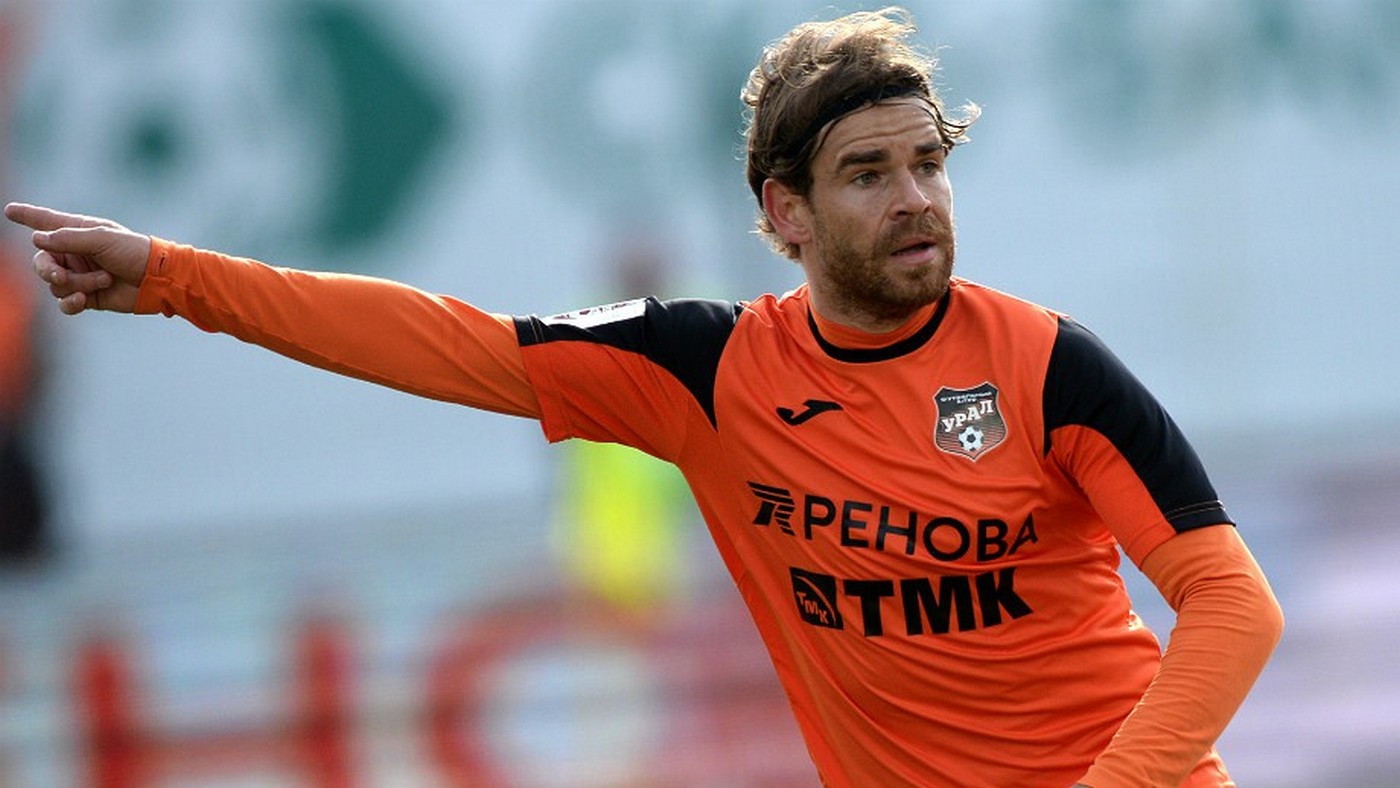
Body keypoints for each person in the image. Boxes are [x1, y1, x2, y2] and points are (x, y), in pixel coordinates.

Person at [6, 7, 1282, 786]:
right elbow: (438, 340)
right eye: (866, 174)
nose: (914, 199)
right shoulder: (704, 370)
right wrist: (171, 276)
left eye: (926, 164)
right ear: (784, 211)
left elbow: (1232, 603)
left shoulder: (1048, 365)